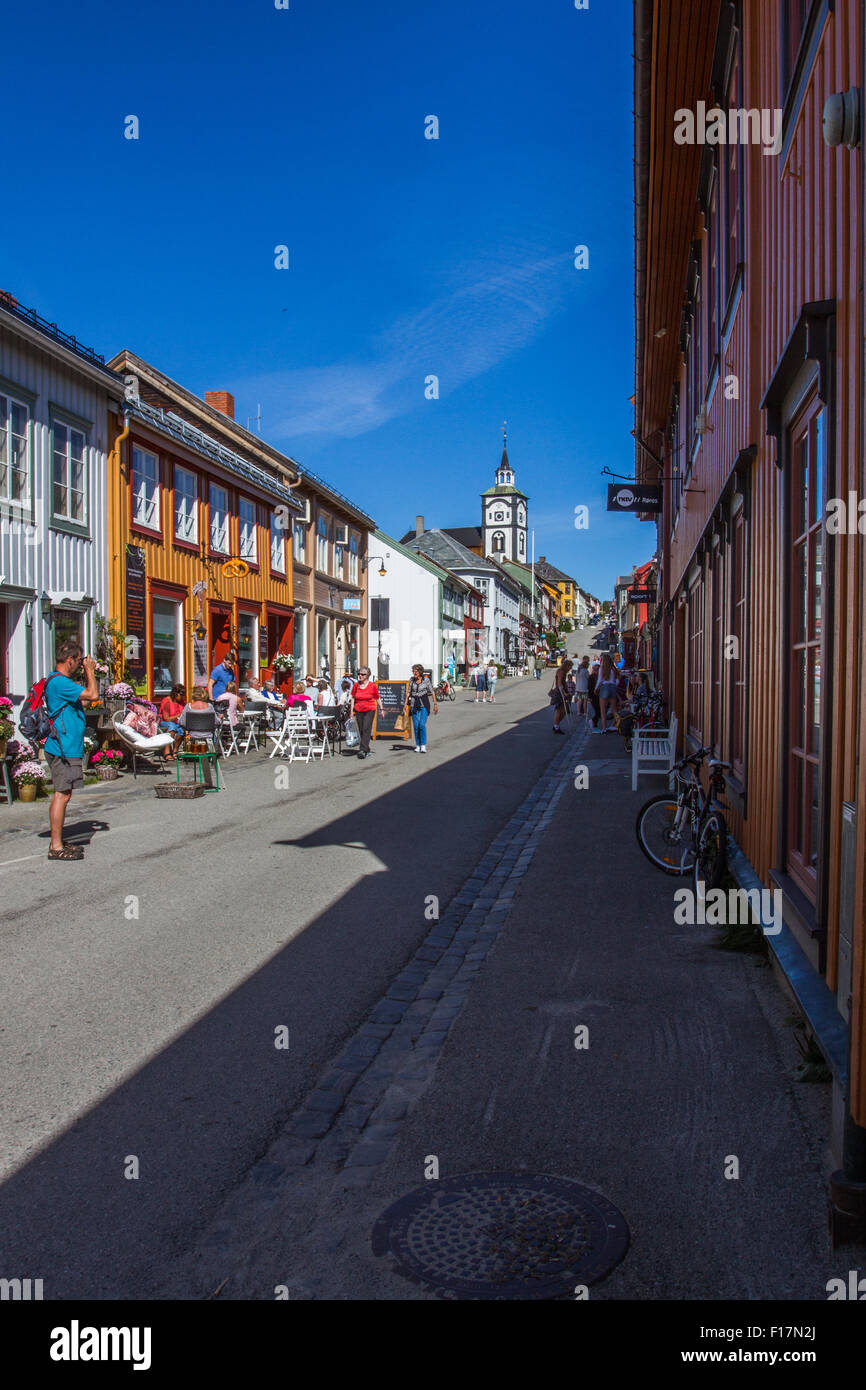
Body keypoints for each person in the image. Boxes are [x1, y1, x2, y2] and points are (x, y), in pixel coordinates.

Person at [43, 640, 99, 861]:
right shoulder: (59, 682)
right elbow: (93, 695)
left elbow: (84, 701)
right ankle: (56, 846)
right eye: (78, 660)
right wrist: (90, 671)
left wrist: (86, 677)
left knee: (65, 794)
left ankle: (58, 841)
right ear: (69, 660)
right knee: (62, 794)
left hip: (67, 745)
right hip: (62, 747)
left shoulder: (62, 683)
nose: (79, 664)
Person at [349, 666, 384, 760]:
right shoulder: (356, 685)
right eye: (359, 674)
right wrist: (351, 711)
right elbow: (353, 698)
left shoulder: (372, 686)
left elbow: (377, 698)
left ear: (367, 675)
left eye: (362, 674)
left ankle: (362, 750)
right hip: (358, 709)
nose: (360, 675)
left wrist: (381, 709)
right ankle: (367, 749)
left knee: (366, 728)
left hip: (370, 709)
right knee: (361, 730)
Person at [407, 663, 438, 753]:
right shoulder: (411, 680)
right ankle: (418, 745)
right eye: (413, 671)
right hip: (413, 704)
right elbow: (408, 692)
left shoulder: (426, 680)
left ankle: (423, 745)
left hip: (423, 703)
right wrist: (405, 705)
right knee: (416, 726)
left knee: (422, 725)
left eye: (415, 671)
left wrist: (435, 704)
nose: (414, 673)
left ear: (420, 671)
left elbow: (432, 692)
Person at [158, 683, 187, 756]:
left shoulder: (182, 703)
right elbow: (166, 718)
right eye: (181, 695)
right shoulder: (167, 702)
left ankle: (175, 750)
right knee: (172, 726)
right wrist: (178, 715)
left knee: (180, 729)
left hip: (177, 723)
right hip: (165, 722)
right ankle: (167, 751)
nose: (183, 697)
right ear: (176, 694)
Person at [596, 653, 619, 733]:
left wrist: (596, 688)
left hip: (604, 687)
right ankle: (617, 726)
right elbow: (617, 680)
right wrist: (615, 685)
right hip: (612, 687)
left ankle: (604, 728)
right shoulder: (613, 668)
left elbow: (600, 680)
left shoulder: (602, 668)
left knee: (603, 710)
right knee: (614, 709)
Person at [550, 657, 572, 735]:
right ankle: (556, 726)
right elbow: (559, 684)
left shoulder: (564, 672)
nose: (570, 669)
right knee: (560, 711)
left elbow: (563, 682)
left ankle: (556, 725)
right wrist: (564, 693)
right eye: (570, 667)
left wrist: (567, 690)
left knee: (563, 711)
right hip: (559, 693)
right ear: (566, 666)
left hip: (562, 691)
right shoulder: (561, 672)